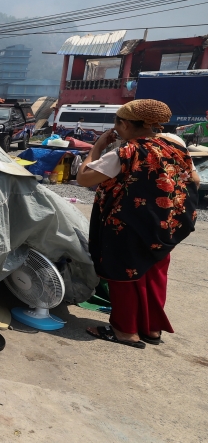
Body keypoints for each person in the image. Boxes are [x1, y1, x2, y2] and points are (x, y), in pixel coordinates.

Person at [76, 100, 198, 349]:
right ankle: (151, 329)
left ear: (125, 124)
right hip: (163, 226)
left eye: (117, 125)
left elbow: (83, 178)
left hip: (128, 225)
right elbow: (193, 179)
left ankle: (125, 332)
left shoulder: (126, 152)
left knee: (123, 276)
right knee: (153, 275)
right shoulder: (174, 147)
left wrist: (97, 147)